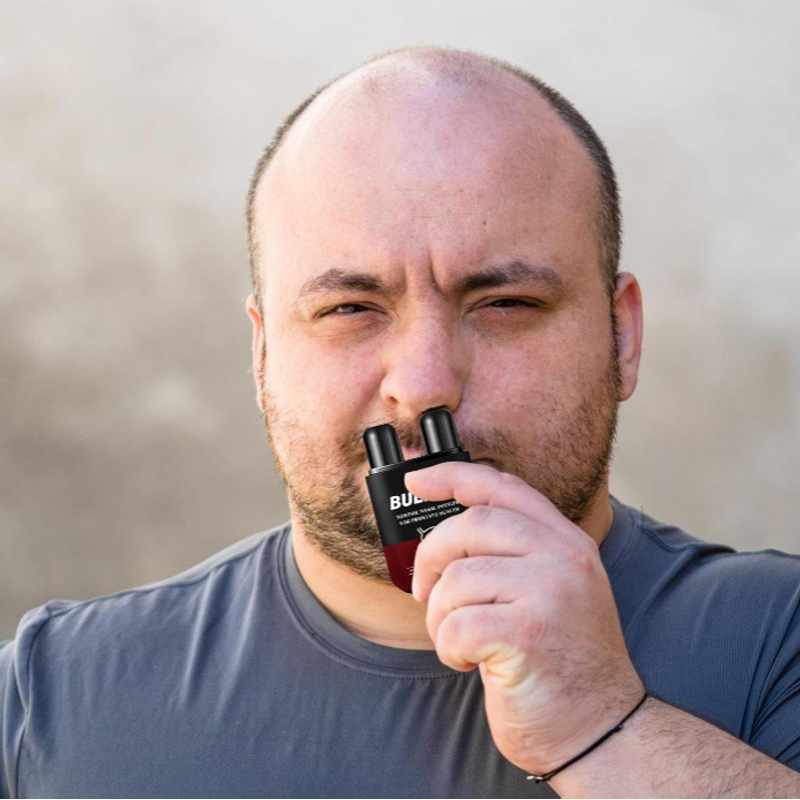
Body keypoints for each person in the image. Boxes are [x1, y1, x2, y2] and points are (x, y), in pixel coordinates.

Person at [2, 44, 799, 799]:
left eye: (506, 303)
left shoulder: (779, 639)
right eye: (350, 308)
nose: (422, 388)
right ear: (262, 352)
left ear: (621, 337)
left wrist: (603, 727)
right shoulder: (50, 694)